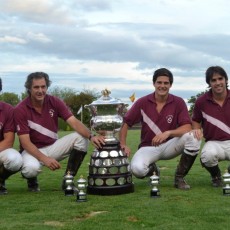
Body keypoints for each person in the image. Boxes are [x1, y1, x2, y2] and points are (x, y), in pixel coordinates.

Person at [14, 72, 105, 192]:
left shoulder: (54, 101)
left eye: (43, 86)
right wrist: (45, 159)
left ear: (47, 87)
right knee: (31, 169)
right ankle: (32, 180)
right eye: (36, 87)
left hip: (52, 146)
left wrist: (91, 136)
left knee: (81, 138)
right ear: (29, 89)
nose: (40, 90)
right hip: (31, 151)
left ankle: (68, 180)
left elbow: (73, 122)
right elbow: (25, 142)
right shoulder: (20, 109)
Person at [119, 68, 201, 190]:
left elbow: (187, 127)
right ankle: (153, 170)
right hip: (148, 147)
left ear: (170, 85)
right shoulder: (142, 102)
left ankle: (179, 178)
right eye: (159, 82)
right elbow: (126, 123)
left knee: (194, 137)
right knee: (137, 170)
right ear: (154, 84)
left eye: (166, 83)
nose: (162, 86)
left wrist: (168, 133)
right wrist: (123, 144)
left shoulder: (178, 102)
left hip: (170, 145)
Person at [192, 66, 230, 187]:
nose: (218, 82)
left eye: (220, 78)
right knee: (207, 156)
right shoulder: (201, 101)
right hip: (214, 142)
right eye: (213, 80)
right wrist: (197, 130)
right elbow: (196, 120)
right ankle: (216, 176)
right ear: (209, 83)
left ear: (226, 80)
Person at [0, 78, 23, 195]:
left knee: (15, 160)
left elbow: (8, 141)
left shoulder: (7, 109)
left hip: (1, 150)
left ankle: (0, 180)